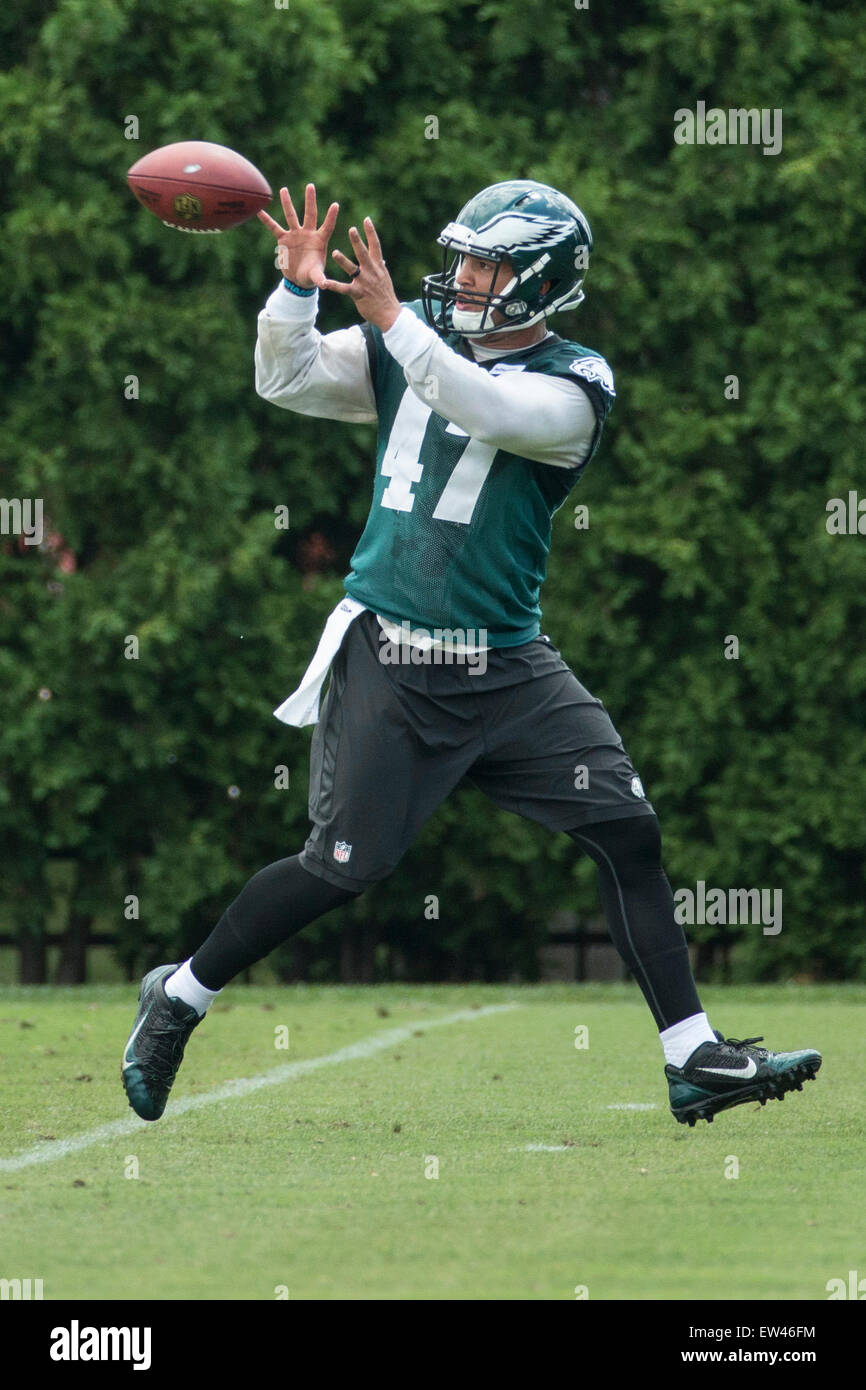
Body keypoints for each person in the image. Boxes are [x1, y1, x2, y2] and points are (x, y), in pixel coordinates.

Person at [121, 180, 821, 1127]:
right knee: (338, 869)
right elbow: (283, 379)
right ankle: (179, 998)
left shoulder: (577, 384)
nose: (465, 279)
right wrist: (295, 292)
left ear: (542, 284)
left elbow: (489, 409)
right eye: (463, 259)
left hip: (507, 667)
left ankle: (692, 1055)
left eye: (489, 265)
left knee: (627, 832)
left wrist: (398, 324)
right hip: (394, 658)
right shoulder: (414, 343)